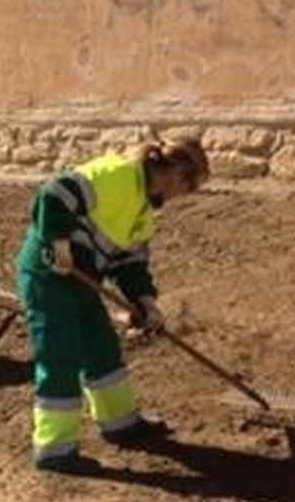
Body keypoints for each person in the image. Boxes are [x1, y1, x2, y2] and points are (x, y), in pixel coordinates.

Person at [16, 138, 211, 472]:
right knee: (60, 354)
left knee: (101, 346)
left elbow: (130, 265)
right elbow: (54, 194)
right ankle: (54, 450)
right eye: (190, 185)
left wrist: (145, 302)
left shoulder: (145, 208)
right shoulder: (119, 174)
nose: (186, 194)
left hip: (81, 278)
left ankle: (120, 423)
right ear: (178, 172)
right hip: (48, 274)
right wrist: (59, 245)